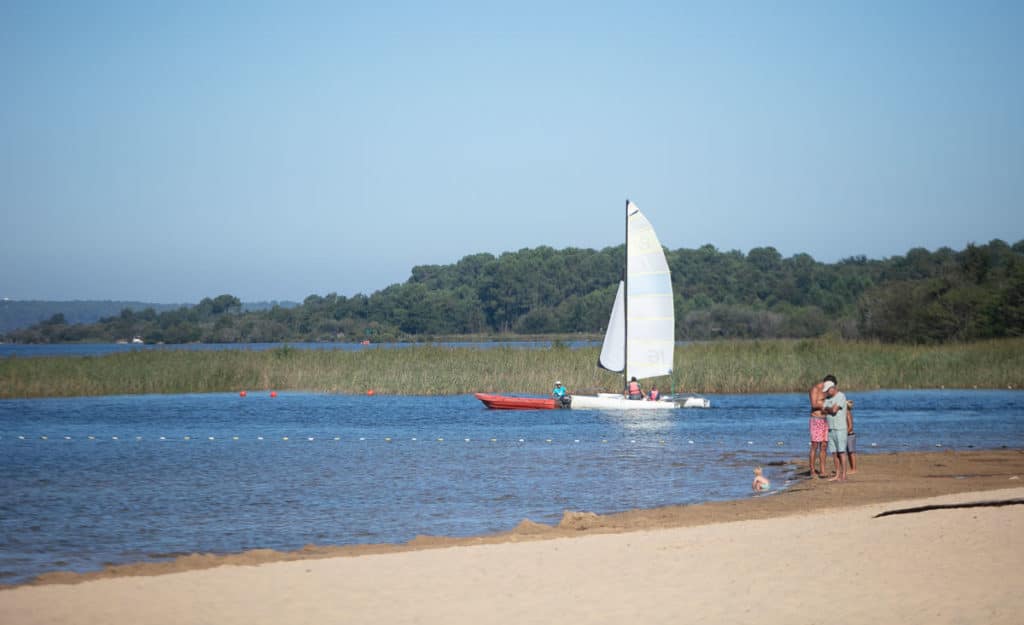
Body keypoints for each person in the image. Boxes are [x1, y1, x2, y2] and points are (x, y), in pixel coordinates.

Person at [822, 378, 849, 482]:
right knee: (834, 452)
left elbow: (834, 410)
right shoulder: (827, 399)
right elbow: (824, 410)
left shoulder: (841, 396)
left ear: (832, 388)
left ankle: (844, 475)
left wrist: (829, 409)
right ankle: (837, 474)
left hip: (840, 428)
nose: (826, 393)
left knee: (841, 452)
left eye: (827, 391)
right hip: (830, 428)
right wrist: (829, 408)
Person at [808, 375, 831, 478]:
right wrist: (824, 404)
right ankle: (812, 471)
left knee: (824, 446)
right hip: (816, 419)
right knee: (814, 446)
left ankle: (822, 470)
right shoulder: (815, 389)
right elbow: (813, 405)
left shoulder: (827, 390)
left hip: (826, 419)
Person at [846, 398, 857, 474]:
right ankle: (851, 468)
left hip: (850, 435)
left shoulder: (847, 413)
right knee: (848, 452)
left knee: (851, 452)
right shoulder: (845, 413)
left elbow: (850, 426)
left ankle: (854, 469)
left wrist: (844, 433)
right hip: (847, 434)